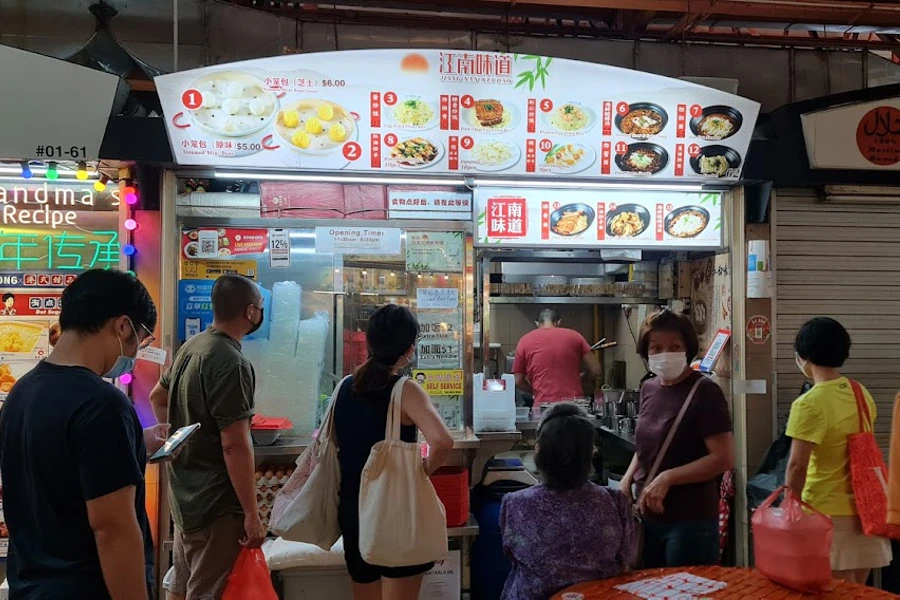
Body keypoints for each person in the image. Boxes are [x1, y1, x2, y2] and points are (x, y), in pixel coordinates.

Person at [0, 269, 166, 599]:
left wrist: (134, 447)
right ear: (122, 326)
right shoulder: (102, 405)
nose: (135, 352)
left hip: (29, 586)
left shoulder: (22, 392)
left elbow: (54, 471)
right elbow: (113, 530)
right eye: (142, 338)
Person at [150, 274, 266, 600]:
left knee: (185, 585)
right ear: (249, 312)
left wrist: (178, 441)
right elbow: (234, 444)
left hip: (186, 495)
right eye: (259, 308)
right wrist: (252, 514)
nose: (260, 314)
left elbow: (157, 397)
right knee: (209, 592)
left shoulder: (193, 346)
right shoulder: (230, 362)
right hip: (217, 504)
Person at [334, 304, 454, 600]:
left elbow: (337, 441)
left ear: (370, 342)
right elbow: (442, 442)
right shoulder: (405, 390)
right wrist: (421, 471)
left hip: (354, 509)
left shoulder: (345, 386)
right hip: (394, 510)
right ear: (409, 348)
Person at [620, 309, 733, 568]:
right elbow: (647, 446)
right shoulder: (648, 388)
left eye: (674, 347)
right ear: (646, 354)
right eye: (656, 348)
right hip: (647, 517)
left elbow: (723, 458)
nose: (664, 354)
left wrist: (669, 477)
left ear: (688, 350)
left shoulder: (705, 391)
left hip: (690, 522)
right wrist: (626, 481)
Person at [786, 317, 892, 584]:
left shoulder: (809, 404)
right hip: (866, 509)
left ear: (804, 357)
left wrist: (790, 506)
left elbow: (797, 465)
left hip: (825, 512)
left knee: (830, 591)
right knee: (857, 591)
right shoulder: (860, 392)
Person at [500, 403, 634, 600]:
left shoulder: (515, 504)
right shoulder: (614, 501)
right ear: (590, 454)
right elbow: (625, 560)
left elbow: (512, 555)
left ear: (539, 452)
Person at [513, 308, 601, 406]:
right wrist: (581, 380)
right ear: (558, 322)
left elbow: (518, 381)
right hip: (573, 405)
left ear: (537, 324)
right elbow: (596, 370)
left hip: (543, 407)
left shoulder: (524, 341)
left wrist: (535, 390)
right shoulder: (575, 336)